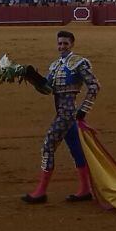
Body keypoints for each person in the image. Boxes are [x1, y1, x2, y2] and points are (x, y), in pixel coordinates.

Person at [22, 30, 100, 204]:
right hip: (64, 115)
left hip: (67, 116)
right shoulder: (55, 65)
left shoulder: (79, 63)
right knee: (76, 150)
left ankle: (40, 192)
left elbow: (94, 86)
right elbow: (47, 90)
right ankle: (85, 190)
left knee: (48, 146)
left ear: (72, 44)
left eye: (65, 43)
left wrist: (83, 110)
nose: (62, 46)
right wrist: (33, 78)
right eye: (59, 43)